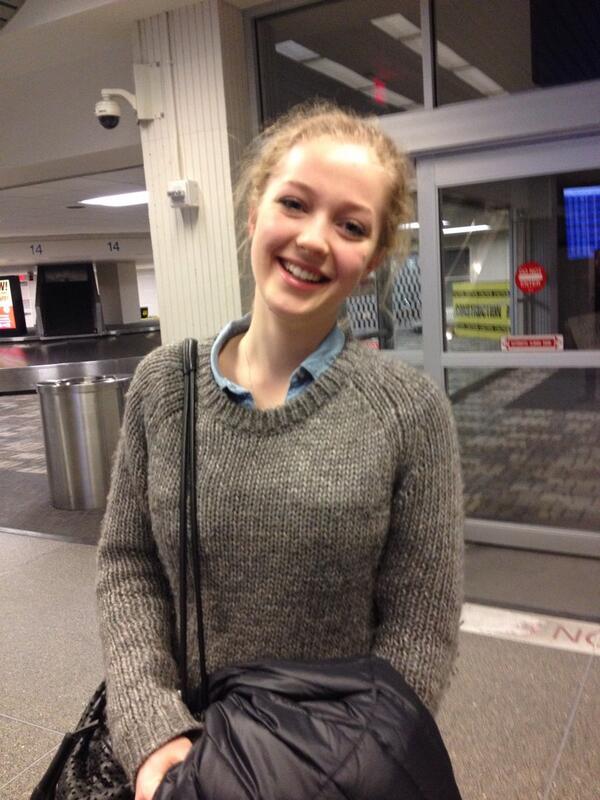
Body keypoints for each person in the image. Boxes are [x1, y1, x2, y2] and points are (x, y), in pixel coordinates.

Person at [96, 101, 464, 800]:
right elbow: (129, 565)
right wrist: (152, 733)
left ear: (375, 257)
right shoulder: (163, 387)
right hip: (184, 760)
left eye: (351, 225)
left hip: (333, 773)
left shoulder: (407, 412)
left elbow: (421, 624)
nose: (315, 239)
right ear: (253, 214)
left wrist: (352, 766)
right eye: (294, 204)